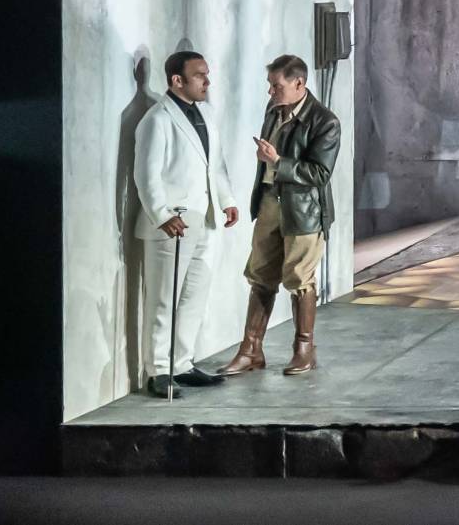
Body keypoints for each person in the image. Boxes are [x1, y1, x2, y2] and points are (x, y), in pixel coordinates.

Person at [217, 53, 340, 378]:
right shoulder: (274, 111)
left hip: (303, 212)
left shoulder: (325, 121)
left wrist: (277, 161)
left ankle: (304, 350)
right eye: (270, 85)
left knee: (299, 278)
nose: (271, 92)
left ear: (299, 83)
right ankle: (250, 351)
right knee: (260, 274)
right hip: (270, 202)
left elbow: (319, 173)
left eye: (277, 86)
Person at [131, 49, 240, 396]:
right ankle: (159, 371)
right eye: (200, 75)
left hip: (205, 218)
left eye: (207, 74)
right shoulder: (156, 119)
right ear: (177, 80)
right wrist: (162, 215)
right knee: (163, 299)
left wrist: (227, 200)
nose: (207, 82)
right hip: (173, 221)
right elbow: (145, 175)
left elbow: (215, 164)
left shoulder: (205, 114)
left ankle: (181, 363)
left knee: (194, 296)